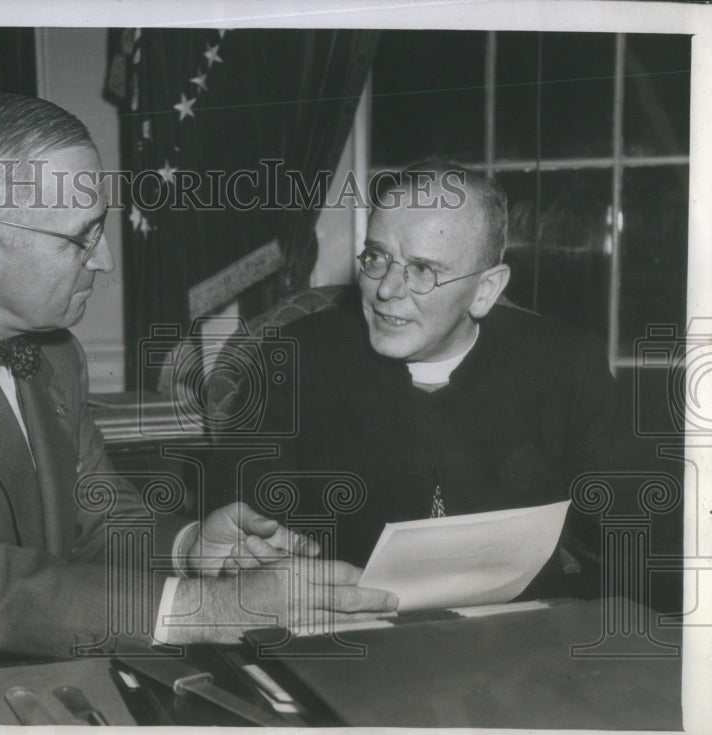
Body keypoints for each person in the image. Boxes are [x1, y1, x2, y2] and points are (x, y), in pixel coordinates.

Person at [0, 92, 395, 678]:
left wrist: (189, 547)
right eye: (81, 237)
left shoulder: (53, 349)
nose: (106, 260)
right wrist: (215, 608)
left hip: (14, 662)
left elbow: (97, 516)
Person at [227, 160, 670, 603]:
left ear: (485, 291)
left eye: (423, 270)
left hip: (528, 637)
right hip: (350, 634)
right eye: (377, 257)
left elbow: (639, 530)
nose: (385, 290)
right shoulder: (289, 362)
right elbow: (240, 533)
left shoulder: (564, 363)